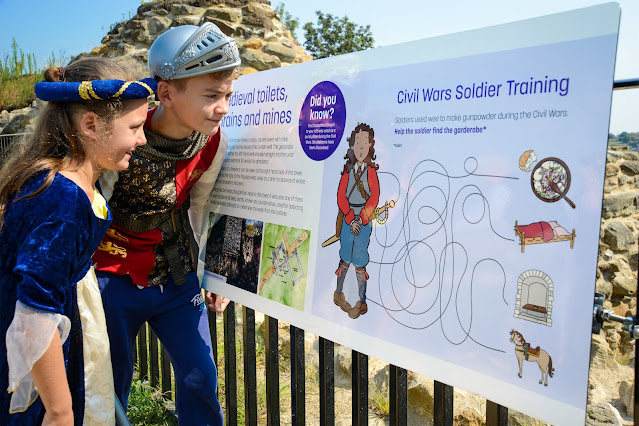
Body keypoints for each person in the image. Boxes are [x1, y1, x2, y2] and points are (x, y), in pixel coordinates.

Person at [93, 21, 240, 425]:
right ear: (166, 93)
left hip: (176, 279)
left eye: (227, 94)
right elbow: (96, 202)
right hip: (112, 277)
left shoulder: (214, 140)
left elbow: (201, 208)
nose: (224, 106)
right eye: (211, 95)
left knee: (199, 378)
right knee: (110, 382)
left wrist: (213, 275)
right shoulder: (124, 135)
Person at [0, 57, 155, 425]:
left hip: (74, 316)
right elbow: (35, 313)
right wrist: (58, 409)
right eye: (134, 127)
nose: (142, 139)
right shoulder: (62, 199)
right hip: (45, 343)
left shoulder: (82, 176)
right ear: (90, 125)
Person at [333, 123, 380, 319]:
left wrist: (362, 218)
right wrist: (351, 218)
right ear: (352, 145)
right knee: (345, 256)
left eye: (365, 142)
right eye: (358, 142)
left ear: (370, 146)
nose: (361, 147)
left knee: (360, 259)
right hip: (348, 217)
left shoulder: (370, 172)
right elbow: (341, 196)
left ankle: (361, 300)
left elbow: (374, 196)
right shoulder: (347, 171)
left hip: (364, 220)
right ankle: (339, 294)